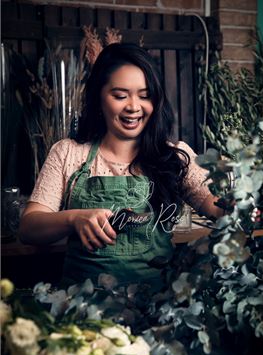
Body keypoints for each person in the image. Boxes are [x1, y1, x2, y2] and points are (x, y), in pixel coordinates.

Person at [19, 43, 222, 287]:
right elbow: (29, 228)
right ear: (98, 97)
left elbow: (218, 208)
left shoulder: (175, 156)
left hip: (156, 311)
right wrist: (73, 219)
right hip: (81, 311)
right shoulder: (68, 153)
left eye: (145, 96)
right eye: (120, 96)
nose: (134, 107)